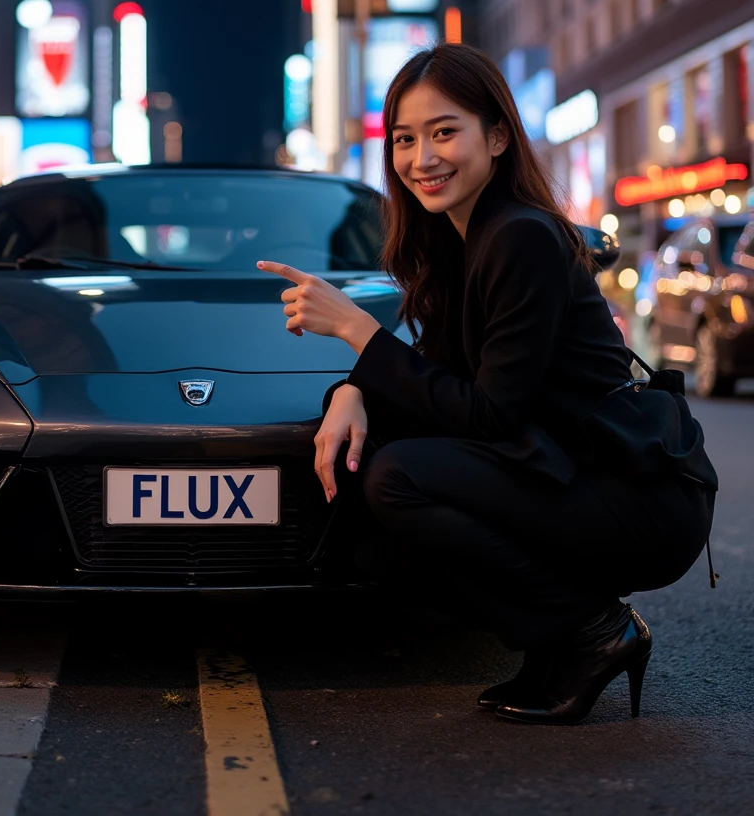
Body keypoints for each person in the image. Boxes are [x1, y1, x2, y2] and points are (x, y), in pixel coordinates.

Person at [257, 42, 717, 726]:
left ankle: (594, 631)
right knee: (374, 496)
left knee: (398, 478)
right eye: (405, 140)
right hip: (572, 475)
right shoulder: (463, 242)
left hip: (636, 492)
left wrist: (357, 330)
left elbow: (490, 414)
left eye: (445, 132)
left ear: (497, 135)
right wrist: (353, 390)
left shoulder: (520, 238)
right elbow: (434, 375)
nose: (422, 158)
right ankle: (559, 643)